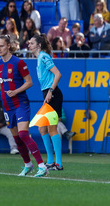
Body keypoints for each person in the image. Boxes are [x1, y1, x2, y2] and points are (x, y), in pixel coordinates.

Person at [0, 35, 47, 177]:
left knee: (23, 134)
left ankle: (42, 165)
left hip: (21, 104)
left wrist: (15, 91)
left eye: (1, 46)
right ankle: (28, 165)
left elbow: (29, 82)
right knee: (16, 138)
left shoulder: (19, 63)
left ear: (8, 46)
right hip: (7, 107)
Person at [28, 34, 64, 171]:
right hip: (49, 94)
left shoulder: (44, 57)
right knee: (42, 128)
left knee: (52, 129)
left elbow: (58, 74)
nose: (29, 45)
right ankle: (50, 161)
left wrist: (50, 91)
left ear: (39, 45)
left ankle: (58, 164)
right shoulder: (40, 58)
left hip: (52, 94)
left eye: (31, 43)